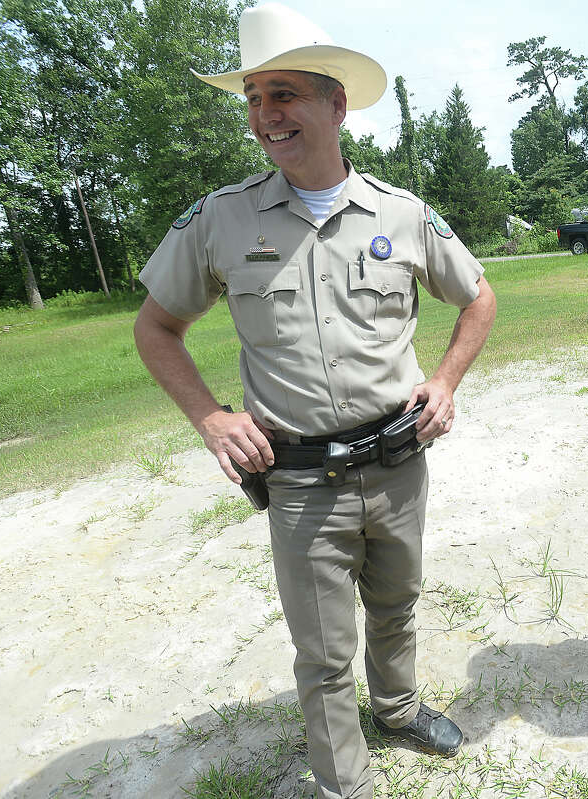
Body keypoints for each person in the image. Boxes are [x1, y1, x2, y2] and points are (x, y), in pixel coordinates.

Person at [131, 4, 496, 797]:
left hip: (399, 462)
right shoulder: (222, 218)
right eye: (255, 97)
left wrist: (444, 381)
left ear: (337, 104)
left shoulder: (401, 213)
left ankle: (397, 708)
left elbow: (479, 297)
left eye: (285, 93)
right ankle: (345, 781)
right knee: (324, 651)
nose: (266, 114)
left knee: (397, 603)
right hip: (301, 481)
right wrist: (211, 417)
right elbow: (155, 327)